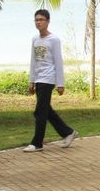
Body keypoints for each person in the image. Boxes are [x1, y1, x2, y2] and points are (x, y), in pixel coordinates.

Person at [23, 9, 78, 152]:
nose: (38, 22)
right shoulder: (35, 39)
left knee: (40, 112)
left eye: (41, 20)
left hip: (48, 78)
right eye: (36, 20)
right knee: (46, 110)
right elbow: (33, 61)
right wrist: (31, 80)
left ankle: (37, 143)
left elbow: (58, 62)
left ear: (48, 21)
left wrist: (60, 83)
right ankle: (68, 132)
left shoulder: (54, 40)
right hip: (38, 78)